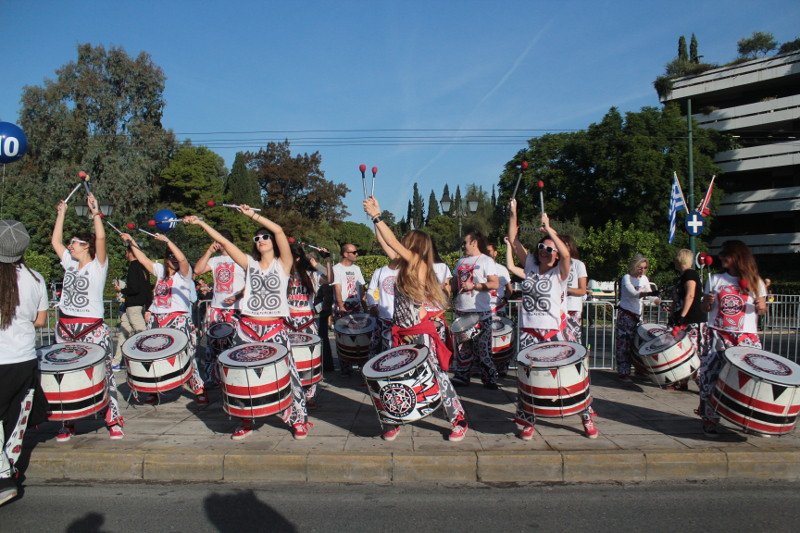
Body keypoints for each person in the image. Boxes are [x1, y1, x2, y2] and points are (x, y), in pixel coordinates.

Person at [185, 208, 310, 440]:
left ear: (272, 241)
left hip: (275, 328)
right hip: (247, 329)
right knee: (242, 377)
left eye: (265, 237)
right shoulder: (249, 264)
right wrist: (202, 224)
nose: (261, 240)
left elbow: (280, 230)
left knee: (288, 373)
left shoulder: (283, 264)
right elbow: (222, 241)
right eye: (257, 238)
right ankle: (246, 420)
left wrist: (252, 215)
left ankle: (299, 419)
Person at [364, 197, 469, 442]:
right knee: (391, 377)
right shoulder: (403, 265)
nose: (400, 243)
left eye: (405, 241)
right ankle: (393, 420)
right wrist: (373, 220)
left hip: (419, 331)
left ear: (414, 245)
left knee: (436, 375)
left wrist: (378, 216)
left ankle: (458, 419)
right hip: (400, 330)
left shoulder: (418, 263)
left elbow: (391, 240)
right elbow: (385, 243)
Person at [507, 199, 598, 439]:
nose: (544, 250)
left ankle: (586, 416)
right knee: (527, 379)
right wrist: (514, 213)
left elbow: (567, 255)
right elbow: (513, 240)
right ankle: (528, 421)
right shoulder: (530, 266)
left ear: (556, 254)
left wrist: (549, 230)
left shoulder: (561, 271)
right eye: (541, 246)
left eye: (549, 249)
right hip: (529, 332)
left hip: (555, 331)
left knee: (572, 375)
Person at [51, 194, 124, 441]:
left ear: (86, 246)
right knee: (66, 375)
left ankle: (113, 418)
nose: (70, 245)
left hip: (91, 328)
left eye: (75, 242)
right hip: (65, 326)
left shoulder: (98, 266)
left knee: (103, 372)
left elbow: (101, 237)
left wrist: (95, 212)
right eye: (70, 242)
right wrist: (61, 212)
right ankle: (68, 422)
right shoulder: (69, 264)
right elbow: (55, 241)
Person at [119, 230, 207, 406]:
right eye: (170, 257)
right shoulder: (160, 271)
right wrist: (131, 241)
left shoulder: (184, 274)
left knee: (186, 355)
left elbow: (182, 260)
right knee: (155, 357)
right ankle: (155, 391)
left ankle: (199, 389)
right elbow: (143, 259)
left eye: (176, 256)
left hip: (178, 319)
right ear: (166, 259)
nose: (174, 259)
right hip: (158, 319)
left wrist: (168, 241)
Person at [0, 221, 49, 507]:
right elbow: (41, 320)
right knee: (15, 419)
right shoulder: (35, 278)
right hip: (25, 356)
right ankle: (10, 470)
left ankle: (4, 476)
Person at [699, 240, 767, 436]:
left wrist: (761, 307)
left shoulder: (756, 282)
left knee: (751, 381)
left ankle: (751, 420)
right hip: (718, 335)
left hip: (746, 337)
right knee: (710, 375)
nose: (721, 258)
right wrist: (708, 302)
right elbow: (704, 308)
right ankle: (710, 419)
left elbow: (762, 309)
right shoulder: (715, 279)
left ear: (737, 257)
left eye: (725, 255)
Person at [194, 230, 245, 387]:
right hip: (217, 307)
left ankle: (236, 379)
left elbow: (252, 282)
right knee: (213, 344)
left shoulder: (241, 258)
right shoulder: (216, 260)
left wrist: (238, 296)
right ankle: (212, 377)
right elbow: (197, 270)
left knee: (235, 343)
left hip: (236, 308)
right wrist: (209, 251)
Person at [450, 230, 500, 389]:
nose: (463, 245)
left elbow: (494, 284)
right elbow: (453, 283)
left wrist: (475, 286)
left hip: (480, 312)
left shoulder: (486, 261)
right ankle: (462, 376)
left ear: (474, 242)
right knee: (463, 347)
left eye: (465, 242)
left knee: (482, 348)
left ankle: (490, 378)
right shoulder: (460, 262)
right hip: (461, 309)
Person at [285, 242, 331, 406]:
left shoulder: (311, 274)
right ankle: (291, 392)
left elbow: (330, 277)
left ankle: (310, 394)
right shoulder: (282, 272)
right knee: (289, 359)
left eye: (295, 257)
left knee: (310, 358)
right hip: (287, 321)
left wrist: (324, 260)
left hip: (307, 320)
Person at [614, 253, 659, 383]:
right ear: (634, 266)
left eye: (645, 268)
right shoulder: (626, 278)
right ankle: (623, 372)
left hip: (637, 316)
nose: (643, 270)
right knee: (624, 345)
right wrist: (647, 293)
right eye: (640, 267)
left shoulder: (644, 279)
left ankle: (640, 369)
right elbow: (632, 293)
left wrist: (656, 299)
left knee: (638, 344)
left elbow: (650, 293)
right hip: (626, 315)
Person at [667, 248, 707, 391]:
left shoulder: (690, 274)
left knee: (691, 352)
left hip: (692, 319)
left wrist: (682, 316)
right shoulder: (683, 276)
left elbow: (690, 295)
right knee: (683, 351)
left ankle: (703, 386)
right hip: (685, 318)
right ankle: (683, 381)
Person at [112, 244, 152, 370]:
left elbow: (134, 288)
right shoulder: (144, 267)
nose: (125, 253)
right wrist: (148, 306)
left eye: (126, 251)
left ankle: (149, 359)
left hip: (133, 305)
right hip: (137, 305)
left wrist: (122, 289)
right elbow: (146, 289)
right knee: (124, 333)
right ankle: (116, 362)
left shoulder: (133, 267)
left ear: (130, 252)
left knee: (142, 332)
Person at [332, 243, 366, 374]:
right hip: (344, 305)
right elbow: (337, 288)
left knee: (359, 335)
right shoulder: (337, 268)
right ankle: (345, 368)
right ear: (346, 254)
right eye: (354, 252)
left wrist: (365, 307)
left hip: (356, 304)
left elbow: (361, 288)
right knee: (343, 337)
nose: (357, 254)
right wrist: (341, 306)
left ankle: (360, 364)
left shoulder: (357, 268)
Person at [366, 227, 400, 357]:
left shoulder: (405, 272)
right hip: (382, 318)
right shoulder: (379, 271)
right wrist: (373, 305)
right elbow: (370, 290)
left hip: (399, 320)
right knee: (375, 346)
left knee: (393, 348)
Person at [561, 235, 588, 344]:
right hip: (557, 308)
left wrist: (566, 289)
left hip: (572, 308)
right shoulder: (554, 264)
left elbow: (582, 290)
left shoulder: (578, 264)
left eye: (565, 245)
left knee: (572, 341)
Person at [486, 243, 512, 318]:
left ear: (495, 253)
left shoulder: (502, 269)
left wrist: (505, 298)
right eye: (485, 252)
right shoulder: (479, 269)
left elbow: (509, 289)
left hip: (499, 309)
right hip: (483, 309)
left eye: (489, 251)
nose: (487, 254)